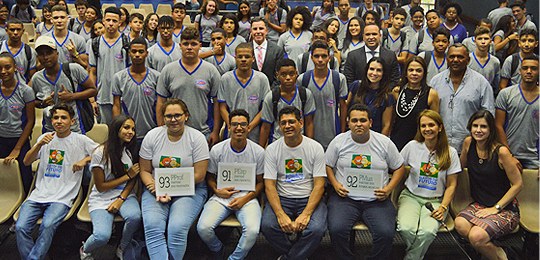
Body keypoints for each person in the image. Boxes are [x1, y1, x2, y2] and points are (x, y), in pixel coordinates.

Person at [326, 103, 406, 260]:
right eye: (354, 120)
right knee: (336, 230)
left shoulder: (384, 142)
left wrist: (389, 189)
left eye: (363, 120)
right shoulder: (338, 141)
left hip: (377, 200)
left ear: (370, 122)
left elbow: (399, 168)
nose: (358, 124)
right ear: (348, 122)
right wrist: (335, 185)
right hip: (345, 199)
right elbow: (328, 166)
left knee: (386, 233)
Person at [17, 103, 96, 260]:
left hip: (62, 197)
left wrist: (85, 160)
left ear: (72, 121)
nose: (59, 121)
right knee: (20, 227)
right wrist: (39, 144)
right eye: (55, 118)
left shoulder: (81, 140)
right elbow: (26, 161)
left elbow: (103, 152)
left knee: (47, 225)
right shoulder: (44, 139)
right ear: (51, 121)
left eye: (63, 118)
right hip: (38, 195)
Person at [139, 98, 209, 259]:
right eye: (168, 116)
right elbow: (144, 170)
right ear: (163, 118)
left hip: (190, 190)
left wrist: (171, 187)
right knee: (152, 226)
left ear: (186, 116)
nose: (173, 119)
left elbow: (199, 175)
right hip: (156, 189)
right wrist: (154, 187)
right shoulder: (152, 136)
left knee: (176, 228)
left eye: (177, 115)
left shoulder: (197, 138)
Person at [197, 109, 265, 260]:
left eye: (242, 124)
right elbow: (210, 177)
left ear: (248, 127)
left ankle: (234, 258)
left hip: (247, 196)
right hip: (221, 196)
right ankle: (219, 250)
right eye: (234, 124)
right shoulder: (217, 150)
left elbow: (261, 183)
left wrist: (245, 199)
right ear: (228, 127)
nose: (239, 128)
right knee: (203, 228)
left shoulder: (259, 152)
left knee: (253, 231)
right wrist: (216, 190)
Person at [261, 106, 327, 260]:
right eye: (283, 123)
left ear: (301, 123)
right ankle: (300, 255)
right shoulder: (272, 150)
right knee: (268, 226)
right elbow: (269, 186)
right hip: (283, 198)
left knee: (317, 229)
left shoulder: (315, 148)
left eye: (291, 122)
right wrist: (280, 214)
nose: (287, 126)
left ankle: (289, 257)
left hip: (309, 198)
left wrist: (306, 214)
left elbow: (319, 185)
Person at [455, 110, 523, 260]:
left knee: (476, 236)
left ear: (491, 129)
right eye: (475, 126)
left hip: (505, 209)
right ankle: (492, 250)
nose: (478, 130)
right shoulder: (468, 143)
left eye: (483, 127)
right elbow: (459, 168)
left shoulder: (501, 152)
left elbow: (518, 184)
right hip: (479, 205)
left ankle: (503, 255)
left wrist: (495, 208)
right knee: (460, 224)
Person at [397, 109, 460, 260]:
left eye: (431, 125)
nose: (427, 129)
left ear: (440, 127)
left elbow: (452, 185)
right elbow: (396, 167)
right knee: (406, 229)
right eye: (423, 126)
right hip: (410, 197)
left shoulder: (450, 152)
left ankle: (411, 257)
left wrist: (443, 207)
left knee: (427, 232)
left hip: (437, 201)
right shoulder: (412, 146)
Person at [80, 115, 142, 260]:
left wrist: (121, 198)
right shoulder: (100, 152)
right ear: (116, 129)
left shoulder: (130, 149)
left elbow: (133, 180)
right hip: (102, 197)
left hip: (124, 194)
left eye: (133, 129)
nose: (130, 132)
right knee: (102, 236)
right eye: (126, 127)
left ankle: (122, 247)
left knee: (135, 217)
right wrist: (127, 176)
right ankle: (85, 250)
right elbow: (101, 187)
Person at [156, 26, 222, 146]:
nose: (190, 47)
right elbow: (161, 102)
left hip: (203, 132)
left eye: (193, 44)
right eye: (186, 44)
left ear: (200, 46)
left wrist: (216, 131)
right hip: (174, 132)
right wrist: (162, 128)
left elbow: (218, 103)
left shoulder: (211, 71)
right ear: (180, 46)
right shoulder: (168, 70)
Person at [430, 44, 494, 152]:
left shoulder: (481, 83)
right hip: (440, 146)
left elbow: (489, 115)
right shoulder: (435, 82)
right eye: (452, 56)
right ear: (447, 59)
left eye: (460, 57)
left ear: (468, 60)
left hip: (471, 147)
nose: (455, 60)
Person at [30, 35, 96, 134]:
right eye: (41, 54)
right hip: (50, 131)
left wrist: (72, 96)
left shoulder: (73, 69)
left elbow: (93, 90)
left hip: (74, 129)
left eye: (49, 53)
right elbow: (31, 102)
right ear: (38, 57)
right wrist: (42, 103)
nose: (46, 57)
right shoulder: (36, 78)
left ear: (57, 53)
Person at [298, 40, 347, 149]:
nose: (320, 60)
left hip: (333, 134)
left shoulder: (338, 79)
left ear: (329, 58)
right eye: (317, 56)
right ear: (311, 57)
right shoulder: (303, 79)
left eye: (324, 56)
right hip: (309, 135)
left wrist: (343, 133)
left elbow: (343, 107)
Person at [218, 43, 271, 143]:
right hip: (232, 132)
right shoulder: (226, 78)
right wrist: (231, 125)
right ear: (235, 58)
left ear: (253, 58)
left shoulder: (262, 79)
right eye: (240, 57)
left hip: (254, 132)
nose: (243, 59)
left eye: (247, 57)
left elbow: (265, 108)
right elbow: (222, 107)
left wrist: (249, 127)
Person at [112, 37, 159, 144]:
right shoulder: (119, 77)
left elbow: (160, 105)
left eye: (141, 51)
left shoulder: (157, 77)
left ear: (147, 53)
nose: (137, 54)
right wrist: (117, 129)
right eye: (134, 51)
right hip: (128, 134)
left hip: (151, 132)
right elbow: (116, 105)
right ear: (129, 53)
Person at [259, 58, 315, 147]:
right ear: (277, 75)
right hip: (277, 143)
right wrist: (261, 150)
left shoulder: (305, 94)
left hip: (300, 143)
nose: (288, 78)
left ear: (296, 74)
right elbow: (266, 127)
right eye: (283, 74)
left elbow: (309, 123)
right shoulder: (271, 97)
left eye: (291, 74)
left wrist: (310, 145)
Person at [88, 6, 130, 125]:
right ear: (103, 21)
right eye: (108, 20)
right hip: (103, 96)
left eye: (114, 21)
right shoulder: (94, 43)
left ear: (120, 22)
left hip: (123, 96)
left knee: (123, 130)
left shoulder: (127, 42)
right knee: (106, 131)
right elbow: (93, 72)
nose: (111, 24)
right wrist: (92, 98)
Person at [0, 52, 35, 194]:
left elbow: (31, 121)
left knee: (24, 178)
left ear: (15, 67)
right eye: (0, 68)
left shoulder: (26, 91)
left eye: (7, 67)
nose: (3, 71)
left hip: (19, 139)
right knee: (4, 178)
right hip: (1, 139)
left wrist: (17, 148)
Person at [495, 56, 539, 169]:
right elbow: (498, 125)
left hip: (535, 158)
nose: (529, 71)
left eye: (533, 68)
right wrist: (507, 154)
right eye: (525, 68)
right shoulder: (505, 94)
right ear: (520, 71)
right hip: (509, 154)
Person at [391, 56, 440, 151]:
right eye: (411, 70)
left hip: (420, 143)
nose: (414, 73)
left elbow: (435, 122)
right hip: (396, 141)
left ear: (424, 73)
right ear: (405, 73)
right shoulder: (397, 91)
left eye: (418, 71)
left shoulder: (431, 94)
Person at [347, 57, 394, 136]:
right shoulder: (356, 86)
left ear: (383, 73)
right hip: (352, 135)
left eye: (378, 70)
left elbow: (386, 125)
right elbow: (345, 108)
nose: (374, 73)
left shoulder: (387, 96)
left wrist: (381, 144)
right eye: (371, 69)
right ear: (366, 70)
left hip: (374, 138)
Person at [344, 23, 401, 88]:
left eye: (374, 34)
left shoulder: (390, 55)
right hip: (359, 95)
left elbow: (394, 79)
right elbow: (348, 79)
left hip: (383, 95)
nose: (371, 37)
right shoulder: (353, 55)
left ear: (380, 35)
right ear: (363, 37)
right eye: (367, 34)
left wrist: (383, 92)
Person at [250, 17, 284, 86]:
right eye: (255, 29)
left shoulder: (277, 50)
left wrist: (270, 92)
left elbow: (279, 75)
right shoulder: (245, 49)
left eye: (261, 28)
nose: (258, 32)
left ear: (266, 31)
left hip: (271, 91)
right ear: (251, 31)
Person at [468, 26, 501, 95]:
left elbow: (496, 84)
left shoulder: (495, 62)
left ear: (490, 41)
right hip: (469, 95)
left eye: (486, 39)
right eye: (480, 39)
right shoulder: (467, 59)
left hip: (487, 96)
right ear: (475, 40)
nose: (483, 42)